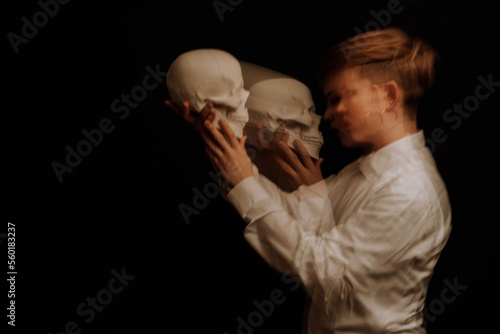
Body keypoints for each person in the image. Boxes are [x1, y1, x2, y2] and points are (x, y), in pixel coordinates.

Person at [199, 27, 452, 333]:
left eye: (336, 99)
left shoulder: (407, 190)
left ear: (387, 95)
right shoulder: (363, 171)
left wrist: (244, 182)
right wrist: (232, 160)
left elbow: (321, 270)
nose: (327, 115)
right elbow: (298, 227)